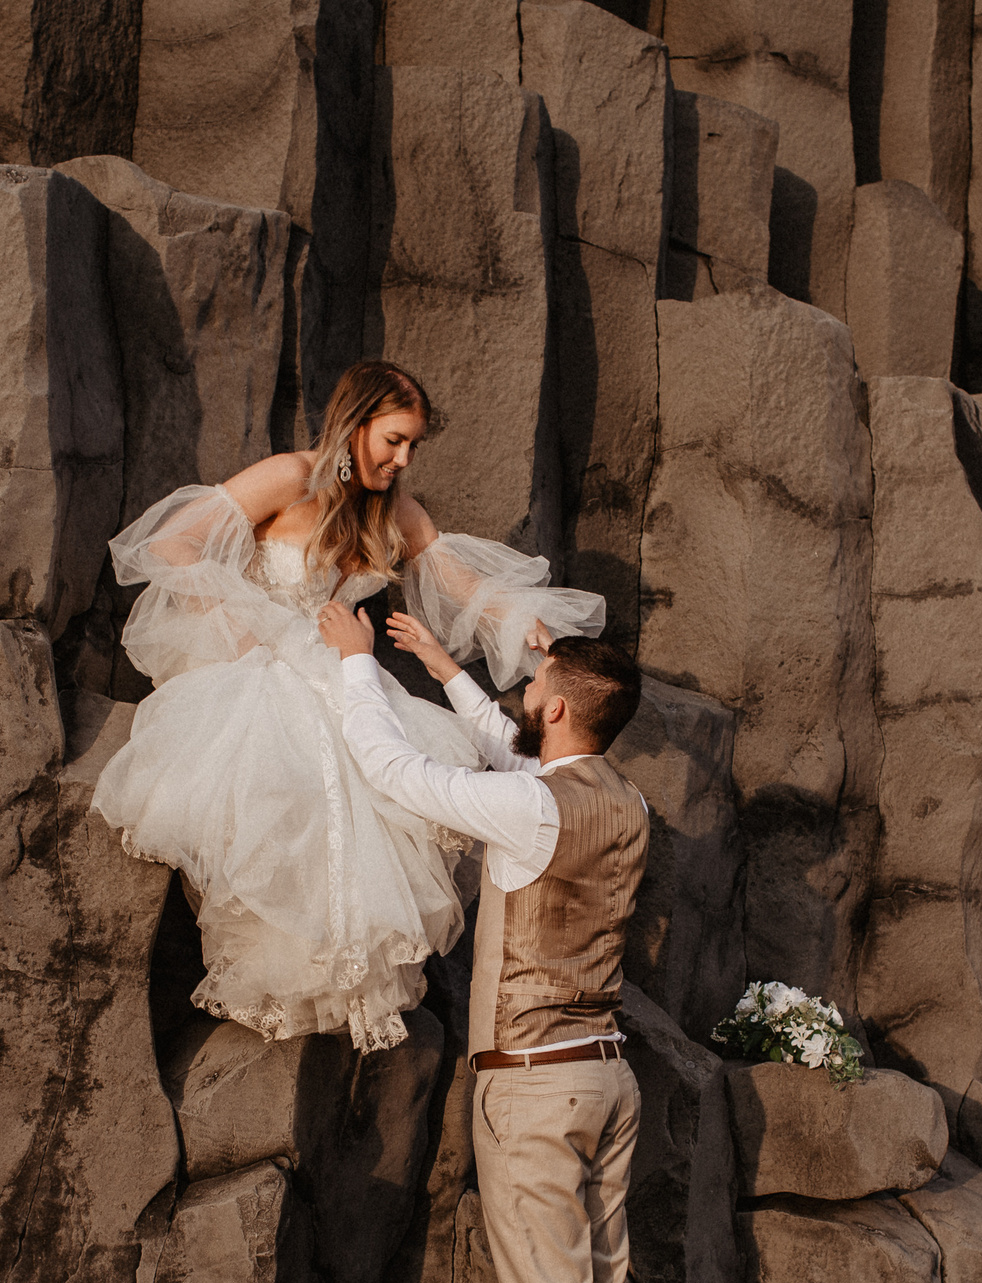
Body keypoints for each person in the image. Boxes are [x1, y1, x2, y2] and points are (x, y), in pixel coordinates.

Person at [91, 362, 605, 1052]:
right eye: (394, 439)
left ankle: (335, 978)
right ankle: (283, 969)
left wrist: (524, 621)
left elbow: (458, 579)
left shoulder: (392, 509)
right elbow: (171, 543)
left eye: (414, 446)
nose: (403, 459)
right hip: (259, 666)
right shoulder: (289, 476)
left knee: (381, 790)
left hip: (332, 668)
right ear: (354, 423)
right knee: (287, 789)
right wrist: (247, 623)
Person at [318, 594, 664, 1283]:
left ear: (557, 708)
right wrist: (439, 662)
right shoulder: (619, 801)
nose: (521, 693)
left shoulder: (528, 808)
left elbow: (396, 771)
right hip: (606, 1080)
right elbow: (510, 757)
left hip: (534, 1092)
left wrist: (354, 666)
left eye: (533, 684)